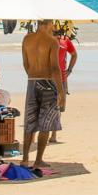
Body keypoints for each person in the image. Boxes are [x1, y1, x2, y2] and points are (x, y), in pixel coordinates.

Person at [21, 19, 65, 169]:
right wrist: (61, 91)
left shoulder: (27, 39)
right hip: (47, 82)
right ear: (47, 24)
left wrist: (33, 76)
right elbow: (54, 67)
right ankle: (38, 159)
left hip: (32, 81)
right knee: (46, 123)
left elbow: (26, 64)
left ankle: (25, 158)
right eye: (52, 24)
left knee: (30, 121)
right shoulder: (52, 41)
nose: (53, 27)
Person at [49, 27, 78, 144]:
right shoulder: (46, 40)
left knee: (57, 107)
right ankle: (37, 135)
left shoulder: (65, 40)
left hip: (61, 78)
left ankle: (54, 134)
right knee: (45, 105)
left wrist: (69, 69)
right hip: (46, 77)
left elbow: (74, 54)